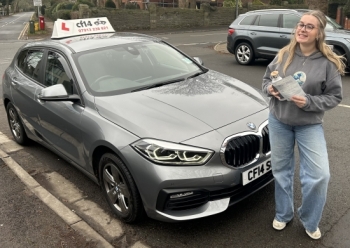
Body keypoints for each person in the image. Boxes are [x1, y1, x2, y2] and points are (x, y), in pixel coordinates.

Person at [262, 10, 345, 240]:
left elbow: (335, 97)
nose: (302, 29)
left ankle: (309, 219)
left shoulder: (328, 63)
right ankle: (283, 213)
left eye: (309, 26)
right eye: (300, 24)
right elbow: (267, 80)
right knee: (281, 171)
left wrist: (309, 102)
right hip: (279, 121)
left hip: (309, 124)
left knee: (320, 175)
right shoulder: (283, 54)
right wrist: (270, 88)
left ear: (319, 33)